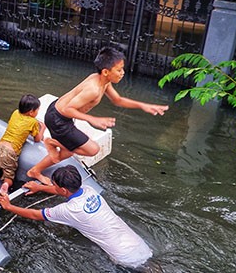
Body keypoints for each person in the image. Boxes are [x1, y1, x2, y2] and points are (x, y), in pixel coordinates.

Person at [27, 46, 168, 184]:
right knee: (92, 149)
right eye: (119, 70)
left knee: (69, 151)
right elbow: (68, 109)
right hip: (59, 119)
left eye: (122, 69)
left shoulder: (101, 80)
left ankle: (45, 158)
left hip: (59, 113)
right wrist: (93, 119)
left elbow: (117, 100)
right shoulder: (93, 89)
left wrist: (143, 106)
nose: (122, 73)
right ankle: (46, 151)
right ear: (106, 71)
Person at [0, 165, 152, 268]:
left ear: (63, 189)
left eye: (55, 185)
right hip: (139, 245)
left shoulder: (69, 210)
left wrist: (9, 206)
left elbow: (35, 215)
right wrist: (39, 187)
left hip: (123, 256)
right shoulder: (88, 190)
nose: (54, 187)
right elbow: (62, 191)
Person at [0, 94, 45, 197]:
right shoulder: (33, 122)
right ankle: (4, 187)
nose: (37, 112)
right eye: (37, 110)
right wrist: (43, 127)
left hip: (0, 145)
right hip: (11, 151)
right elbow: (37, 139)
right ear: (31, 112)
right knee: (9, 175)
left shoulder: (15, 113)